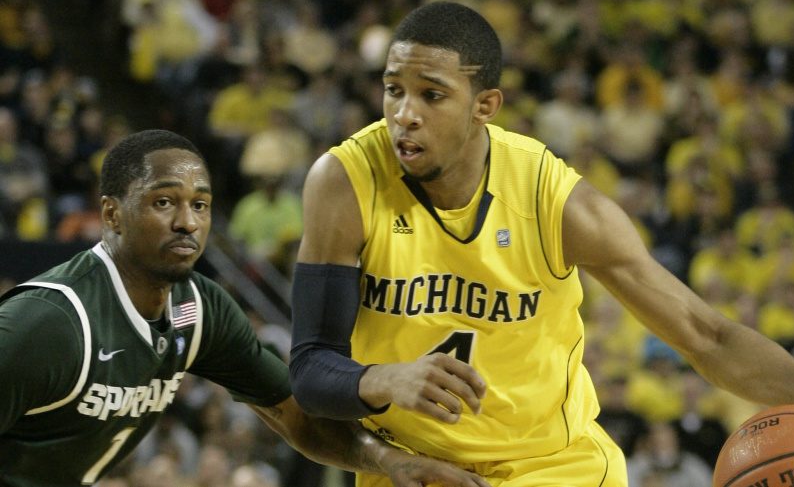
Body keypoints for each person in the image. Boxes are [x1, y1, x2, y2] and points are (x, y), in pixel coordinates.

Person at [289, 1, 794, 487]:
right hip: (416, 469)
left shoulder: (560, 204)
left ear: (486, 107)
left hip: (551, 467)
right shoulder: (344, 182)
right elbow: (311, 371)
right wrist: (382, 380)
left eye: (432, 94)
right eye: (393, 90)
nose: (404, 115)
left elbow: (706, 336)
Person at [0, 129, 491, 487]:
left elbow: (295, 415)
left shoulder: (198, 310)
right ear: (112, 215)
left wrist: (383, 459)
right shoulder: (50, 325)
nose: (188, 223)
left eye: (201, 204)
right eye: (164, 203)